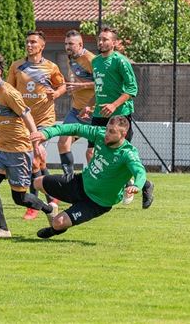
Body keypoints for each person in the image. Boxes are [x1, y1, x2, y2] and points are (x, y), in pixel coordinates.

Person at [29, 116, 148, 239]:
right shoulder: (100, 134)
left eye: (112, 132)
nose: (107, 134)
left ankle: (54, 229)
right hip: (80, 183)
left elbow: (140, 172)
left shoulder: (128, 154)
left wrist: (136, 185)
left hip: (97, 203)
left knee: (58, 223)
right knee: (38, 183)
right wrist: (47, 133)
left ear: (123, 134)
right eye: (107, 129)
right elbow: (75, 128)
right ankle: (50, 210)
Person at [0, 50, 59, 238]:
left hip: (18, 150)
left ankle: (49, 209)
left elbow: (26, 114)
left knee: (20, 198)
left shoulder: (7, 91)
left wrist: (36, 142)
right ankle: (3, 229)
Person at [82, 27, 153, 208]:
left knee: (119, 156)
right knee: (91, 152)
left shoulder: (121, 62)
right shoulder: (96, 62)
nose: (101, 42)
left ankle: (143, 184)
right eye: (99, 39)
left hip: (119, 115)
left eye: (106, 39)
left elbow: (131, 89)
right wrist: (90, 105)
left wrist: (113, 105)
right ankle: (97, 188)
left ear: (114, 43)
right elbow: (99, 88)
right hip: (99, 114)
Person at [6, 30, 66, 220]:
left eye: (33, 42)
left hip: (45, 121)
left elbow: (62, 85)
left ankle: (33, 205)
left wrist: (56, 94)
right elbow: (8, 92)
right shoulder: (17, 67)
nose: (29, 45)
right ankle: (52, 197)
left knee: (34, 160)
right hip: (24, 121)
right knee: (38, 162)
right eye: (28, 42)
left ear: (42, 46)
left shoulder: (51, 67)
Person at [58, 30, 96, 176]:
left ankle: (129, 183)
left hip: (93, 112)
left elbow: (104, 83)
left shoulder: (91, 60)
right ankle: (69, 179)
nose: (68, 47)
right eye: (66, 44)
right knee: (63, 143)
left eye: (71, 44)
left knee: (91, 154)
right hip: (76, 111)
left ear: (80, 44)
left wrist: (82, 86)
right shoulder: (71, 58)